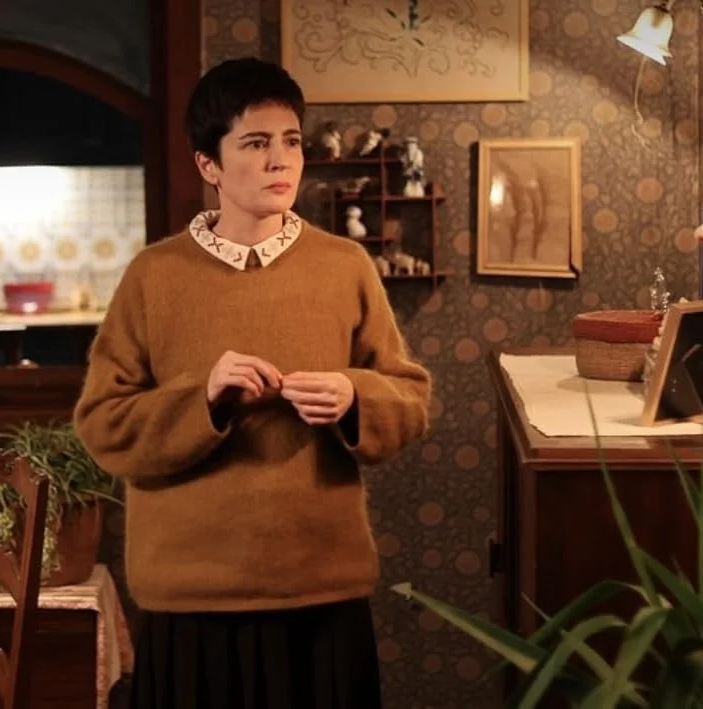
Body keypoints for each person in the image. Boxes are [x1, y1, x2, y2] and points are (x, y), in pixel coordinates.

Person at [72, 57, 432, 709]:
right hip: (191, 598)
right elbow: (103, 422)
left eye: (291, 141)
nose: (280, 160)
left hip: (322, 591)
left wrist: (355, 398)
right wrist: (203, 400)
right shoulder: (154, 275)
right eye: (256, 143)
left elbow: (409, 398)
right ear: (208, 164)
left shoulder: (345, 265)